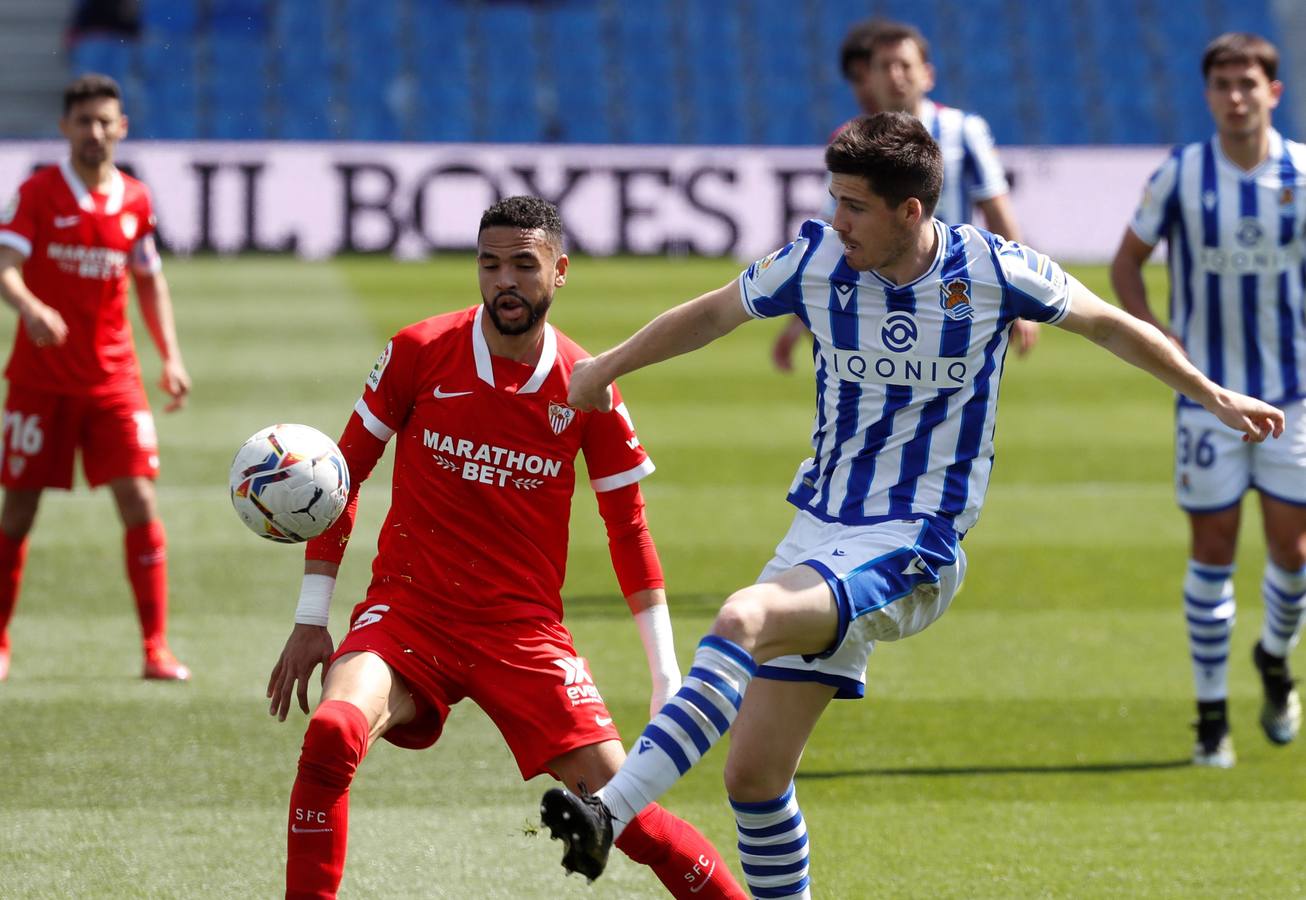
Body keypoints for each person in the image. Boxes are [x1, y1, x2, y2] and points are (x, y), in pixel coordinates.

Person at [538, 112, 1284, 899]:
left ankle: (608, 813)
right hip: (819, 531)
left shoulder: (990, 270)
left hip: (916, 541)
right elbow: (715, 312)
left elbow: (1108, 323)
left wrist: (1209, 394)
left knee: (739, 620)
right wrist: (611, 365)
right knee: (754, 778)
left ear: (910, 212)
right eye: (834, 200)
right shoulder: (818, 260)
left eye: (853, 206)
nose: (838, 221)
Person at [265, 196, 747, 899]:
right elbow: (340, 478)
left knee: (630, 816)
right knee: (334, 732)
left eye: (525, 265)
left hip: (521, 634)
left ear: (560, 271)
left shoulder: (588, 385)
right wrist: (312, 616)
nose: (504, 282)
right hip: (409, 615)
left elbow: (629, 531)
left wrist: (666, 675)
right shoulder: (420, 352)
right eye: (490, 265)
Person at [1110, 32, 1306, 768]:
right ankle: (1211, 719)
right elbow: (1128, 262)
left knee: (1293, 554)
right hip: (1208, 399)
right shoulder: (1183, 175)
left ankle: (1275, 656)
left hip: (1293, 396)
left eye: (1247, 83)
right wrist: (1163, 340)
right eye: (1222, 83)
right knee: (1213, 551)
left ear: (1272, 92)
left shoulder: (1302, 172)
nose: (1235, 97)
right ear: (1209, 93)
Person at [0, 73, 191, 682]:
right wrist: (31, 307)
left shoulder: (135, 198)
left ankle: (155, 648)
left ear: (122, 127)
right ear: (65, 128)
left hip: (114, 379)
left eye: (106, 121)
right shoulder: (36, 193)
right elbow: (5, 266)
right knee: (19, 511)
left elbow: (148, 279)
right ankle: (0, 643)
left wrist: (172, 357)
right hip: (41, 379)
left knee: (139, 499)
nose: (95, 132)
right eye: (84, 122)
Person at [771, 18, 1036, 372]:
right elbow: (832, 233)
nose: (896, 75)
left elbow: (997, 208)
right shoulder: (852, 141)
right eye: (885, 66)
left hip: (952, 289)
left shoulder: (964, 130)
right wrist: (796, 319)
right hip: (872, 290)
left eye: (905, 66)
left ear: (927, 75)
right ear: (871, 77)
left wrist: (1022, 292)